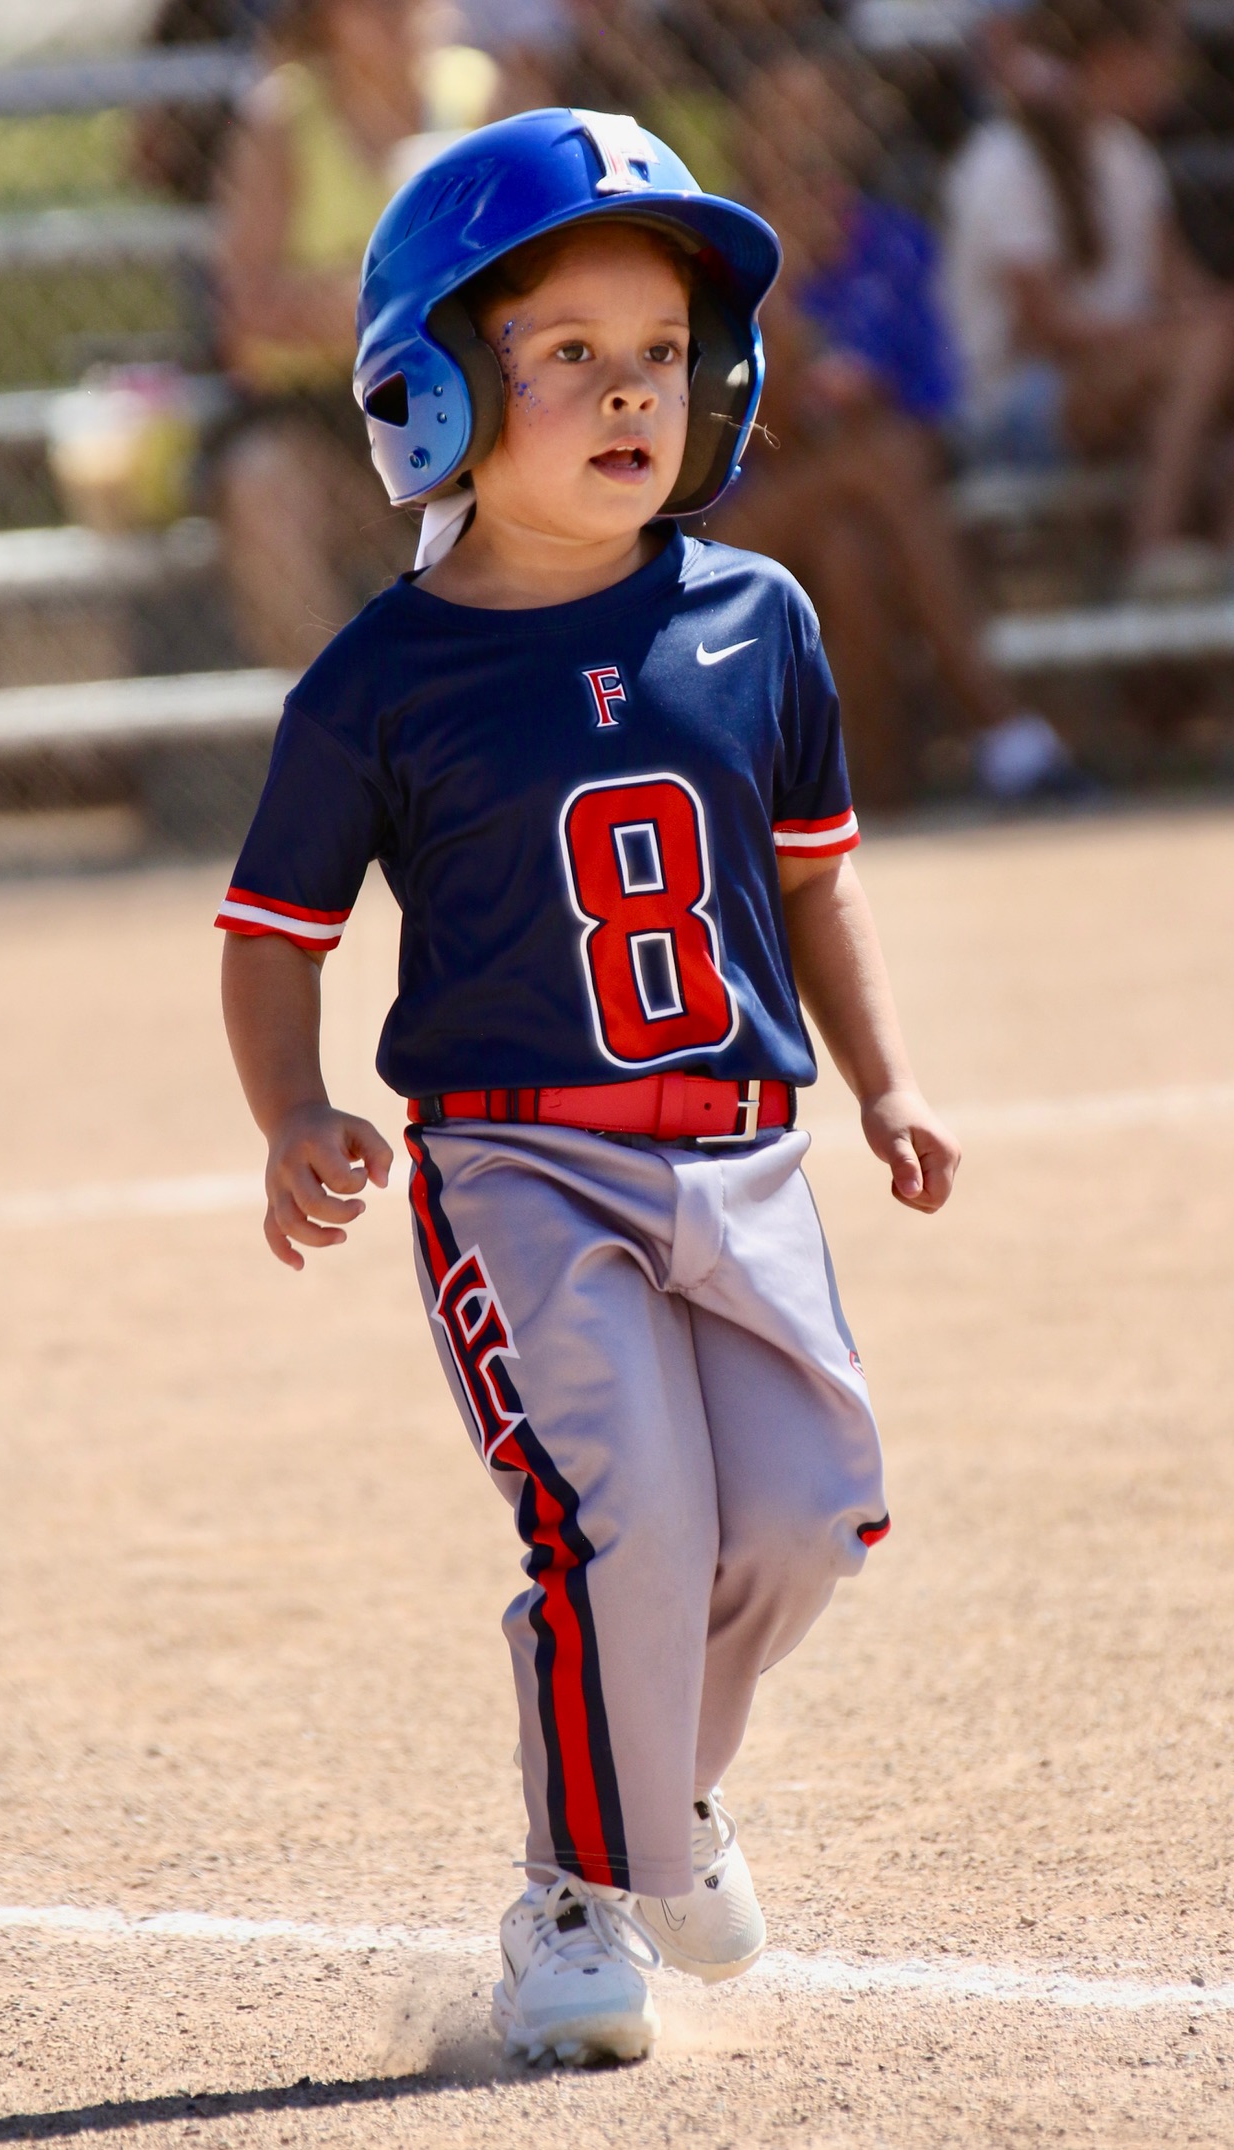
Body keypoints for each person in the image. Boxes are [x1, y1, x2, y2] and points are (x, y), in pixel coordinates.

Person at [217, 108, 959, 2066]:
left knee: (805, 1518)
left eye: (661, 351)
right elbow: (273, 929)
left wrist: (882, 1085)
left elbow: (815, 873)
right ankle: (573, 1884)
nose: (631, 388)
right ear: (434, 394)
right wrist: (292, 1114)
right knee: (619, 1513)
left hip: (746, 1152)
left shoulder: (757, 619)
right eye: (566, 353)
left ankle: (660, 1804)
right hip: (523, 1174)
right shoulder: (378, 681)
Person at [709, 44, 1078, 805]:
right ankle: (1002, 728)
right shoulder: (713, 253)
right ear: (748, 133)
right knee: (878, 467)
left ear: (851, 130)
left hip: (862, 504)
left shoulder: (895, 243)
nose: (804, 133)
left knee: (854, 547)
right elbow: (723, 432)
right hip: (734, 517)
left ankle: (865, 804)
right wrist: (778, 298)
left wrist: (850, 400)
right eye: (784, 114)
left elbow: (936, 410)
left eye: (822, 113)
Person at [944, 0, 1234, 599]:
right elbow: (1047, 329)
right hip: (1019, 402)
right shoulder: (1001, 158)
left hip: (1130, 374)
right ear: (1113, 60)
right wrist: (1184, 328)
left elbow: (1181, 289)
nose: (1177, 74)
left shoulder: (1128, 157)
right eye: (1162, 58)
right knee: (1203, 344)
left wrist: (1233, 310)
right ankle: (1153, 551)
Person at [215, 0, 494, 666]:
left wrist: (340, 305)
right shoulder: (283, 116)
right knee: (263, 487)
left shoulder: (483, 98)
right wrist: (399, 300)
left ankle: (493, 724)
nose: (392, 17)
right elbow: (243, 323)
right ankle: (349, 723)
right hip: (323, 416)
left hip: (466, 404)